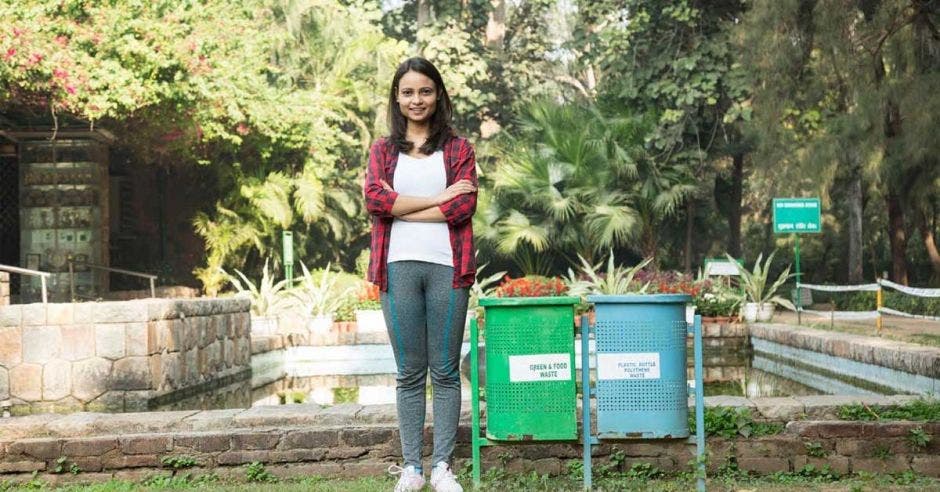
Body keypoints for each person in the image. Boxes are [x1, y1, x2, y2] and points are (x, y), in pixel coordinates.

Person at [363, 56, 478, 492]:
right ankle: (412, 468)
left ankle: (442, 467)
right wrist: (439, 200)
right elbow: (376, 200)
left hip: (450, 268)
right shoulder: (382, 150)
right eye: (408, 92)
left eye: (425, 91)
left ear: (438, 95)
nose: (417, 99)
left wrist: (403, 207)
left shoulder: (459, 149)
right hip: (397, 268)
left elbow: (463, 208)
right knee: (410, 371)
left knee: (445, 371)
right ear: (397, 96)